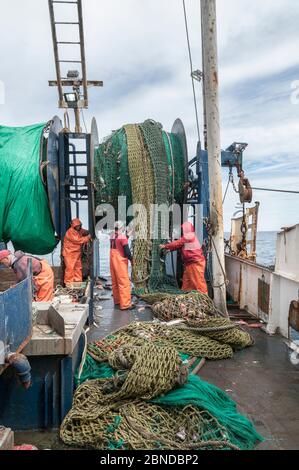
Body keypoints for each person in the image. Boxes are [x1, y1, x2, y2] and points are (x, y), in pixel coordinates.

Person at [160, 221, 208, 294]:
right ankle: (185, 299)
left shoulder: (189, 236)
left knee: (199, 283)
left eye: (183, 229)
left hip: (196, 263)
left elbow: (178, 243)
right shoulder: (189, 237)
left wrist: (165, 246)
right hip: (189, 264)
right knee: (187, 284)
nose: (182, 230)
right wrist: (169, 249)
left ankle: (204, 300)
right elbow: (180, 246)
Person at [110, 221, 135, 310]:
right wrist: (132, 260)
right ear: (121, 228)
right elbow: (127, 251)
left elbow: (119, 241)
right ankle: (125, 304)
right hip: (119, 262)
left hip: (112, 260)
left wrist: (127, 235)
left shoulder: (112, 235)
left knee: (115, 282)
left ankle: (117, 301)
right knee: (124, 283)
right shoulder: (122, 237)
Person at [62, 218, 91, 286]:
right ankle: (68, 284)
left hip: (76, 253)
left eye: (79, 225)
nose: (78, 227)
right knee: (70, 268)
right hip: (69, 253)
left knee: (78, 268)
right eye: (76, 226)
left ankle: (78, 282)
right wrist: (88, 237)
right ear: (73, 226)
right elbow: (79, 240)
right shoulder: (70, 232)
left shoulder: (79, 230)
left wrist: (90, 231)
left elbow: (84, 231)